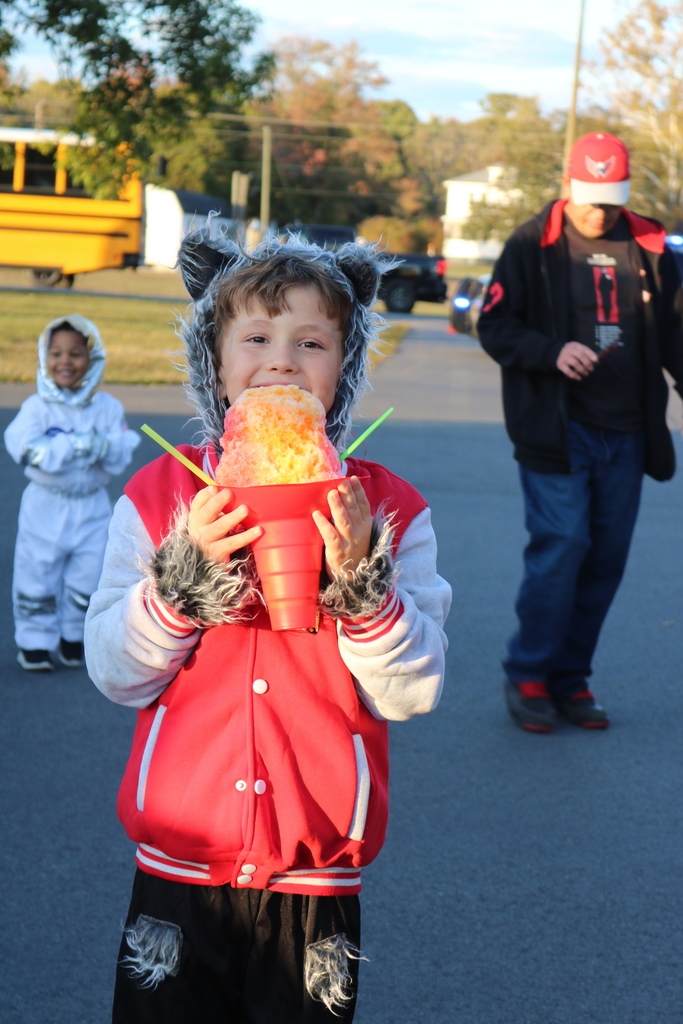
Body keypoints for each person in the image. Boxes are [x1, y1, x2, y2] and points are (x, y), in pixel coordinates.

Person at [84, 231, 451, 1023]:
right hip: (178, 861)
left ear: (344, 367)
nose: (282, 360)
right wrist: (181, 582)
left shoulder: (387, 509)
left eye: (311, 341)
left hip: (315, 872)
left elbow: (413, 691)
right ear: (214, 365)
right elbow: (117, 672)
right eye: (255, 337)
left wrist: (360, 583)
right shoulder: (159, 497)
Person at [478, 131, 683, 733]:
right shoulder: (530, 244)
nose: (600, 211)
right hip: (557, 430)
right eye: (590, 198)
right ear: (569, 186)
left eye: (611, 199)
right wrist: (550, 351)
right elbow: (495, 325)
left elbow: (675, 335)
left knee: (604, 560)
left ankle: (572, 679)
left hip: (627, 433)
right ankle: (530, 675)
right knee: (562, 547)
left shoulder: (647, 244)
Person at [4, 315, 140, 672]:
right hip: (45, 504)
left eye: (76, 353)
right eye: (56, 353)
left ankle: (72, 637)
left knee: (89, 572)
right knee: (37, 570)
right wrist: (75, 446)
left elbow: (121, 451)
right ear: (44, 358)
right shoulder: (37, 408)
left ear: (92, 359)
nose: (65, 361)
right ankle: (34, 642)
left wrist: (100, 446)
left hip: (91, 505)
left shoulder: (107, 408)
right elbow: (24, 450)